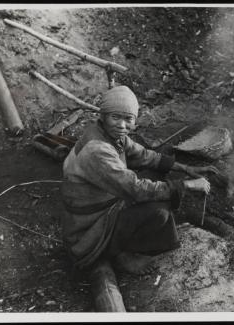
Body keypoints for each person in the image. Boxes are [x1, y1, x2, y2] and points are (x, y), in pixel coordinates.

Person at [61, 85, 218, 274]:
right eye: (115, 117)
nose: (122, 125)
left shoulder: (111, 135)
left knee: (159, 172)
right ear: (103, 116)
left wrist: (186, 168)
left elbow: (143, 155)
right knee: (159, 212)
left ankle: (122, 243)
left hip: (101, 202)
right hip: (87, 228)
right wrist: (184, 184)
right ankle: (119, 254)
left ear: (135, 120)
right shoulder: (98, 150)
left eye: (128, 119)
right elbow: (136, 189)